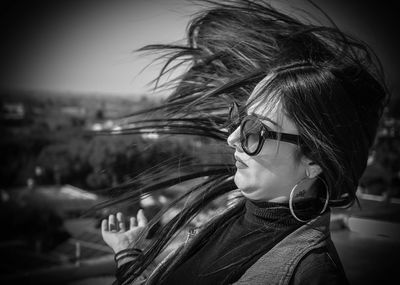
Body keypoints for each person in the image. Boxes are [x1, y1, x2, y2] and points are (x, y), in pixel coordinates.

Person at [99, 1, 389, 284]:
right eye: (239, 119)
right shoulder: (231, 216)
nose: (232, 138)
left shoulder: (312, 273)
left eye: (255, 131)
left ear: (313, 158)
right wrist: (128, 253)